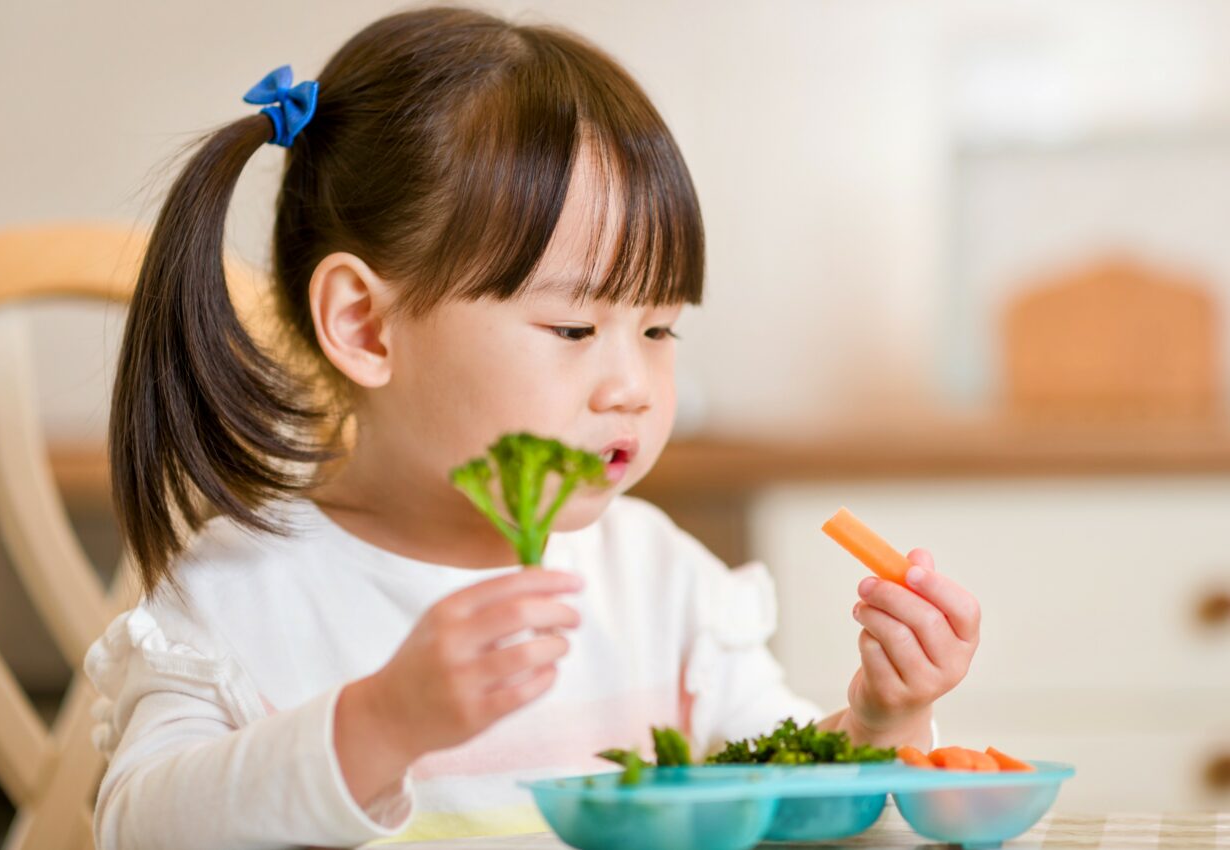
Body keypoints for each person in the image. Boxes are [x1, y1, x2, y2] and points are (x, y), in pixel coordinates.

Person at [85, 6, 981, 848]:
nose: (633, 386)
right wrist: (379, 725)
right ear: (364, 325)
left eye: (661, 329)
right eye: (575, 330)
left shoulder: (658, 583)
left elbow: (778, 806)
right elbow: (134, 825)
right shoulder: (243, 596)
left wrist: (881, 719)